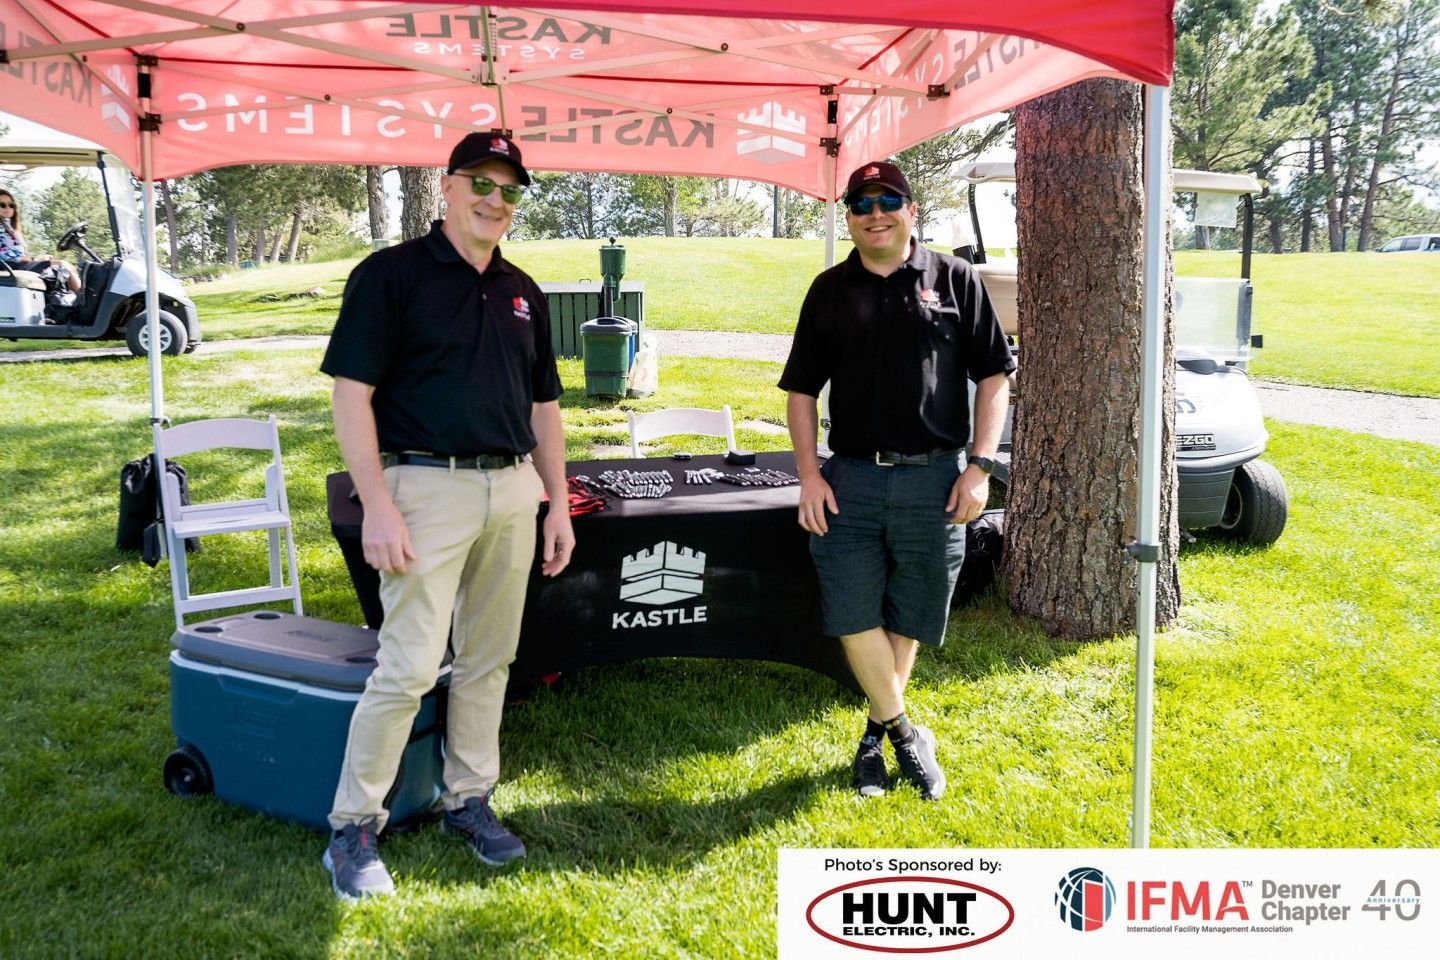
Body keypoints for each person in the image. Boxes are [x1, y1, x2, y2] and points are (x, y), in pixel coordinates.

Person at [318, 132, 575, 900]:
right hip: (424, 490)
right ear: (447, 187)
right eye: (481, 184)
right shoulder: (389, 276)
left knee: (491, 660)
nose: (495, 201)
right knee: (407, 666)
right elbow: (351, 395)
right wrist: (380, 505)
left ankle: (469, 799)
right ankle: (353, 828)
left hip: (512, 490)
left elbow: (546, 408)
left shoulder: (523, 288)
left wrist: (556, 500)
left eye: (509, 191)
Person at [779, 160, 1014, 801]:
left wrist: (980, 467)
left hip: (936, 481)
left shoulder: (956, 280)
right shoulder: (829, 290)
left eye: (887, 199)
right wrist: (807, 475)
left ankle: (870, 742)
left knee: (908, 613)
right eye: (860, 203)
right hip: (848, 480)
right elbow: (801, 392)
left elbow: (994, 376)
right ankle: (908, 734)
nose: (874, 212)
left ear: (911, 208)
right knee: (853, 610)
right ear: (848, 216)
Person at [0, 189, 82, 293]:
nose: (8, 208)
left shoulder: (10, 228)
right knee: (64, 265)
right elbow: (4, 255)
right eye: (2, 205)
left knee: (63, 272)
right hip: (8, 267)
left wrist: (36, 259)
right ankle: (83, 302)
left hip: (15, 266)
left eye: (11, 205)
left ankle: (68, 302)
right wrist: (35, 259)